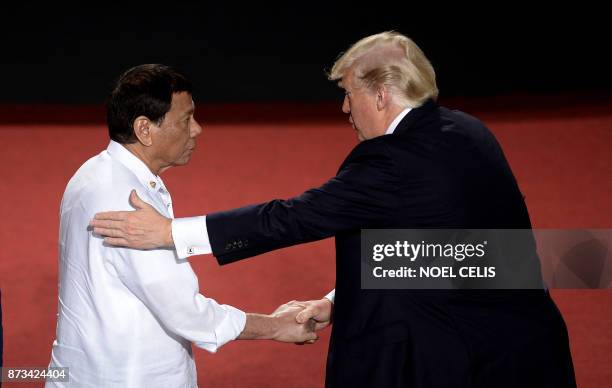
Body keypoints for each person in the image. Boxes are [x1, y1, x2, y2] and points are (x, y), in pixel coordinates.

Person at [91, 33, 576, 387]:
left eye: (349, 93)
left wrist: (172, 234)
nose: (344, 108)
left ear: (381, 95)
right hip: (529, 352)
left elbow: (292, 217)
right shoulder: (470, 131)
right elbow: (472, 252)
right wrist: (335, 302)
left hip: (456, 361)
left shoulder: (390, 161)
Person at [47, 64, 316, 388]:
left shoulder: (92, 173)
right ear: (145, 129)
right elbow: (184, 311)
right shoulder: (128, 201)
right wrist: (274, 326)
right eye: (186, 119)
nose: (197, 129)